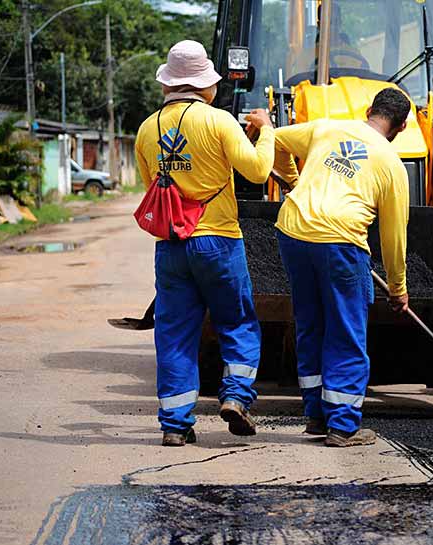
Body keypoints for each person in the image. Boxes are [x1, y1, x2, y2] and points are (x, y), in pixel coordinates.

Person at [134, 40, 275, 447]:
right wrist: (265, 132)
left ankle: (175, 424)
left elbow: (154, 190)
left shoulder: (147, 129)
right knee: (237, 323)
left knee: (175, 333)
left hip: (171, 246)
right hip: (219, 242)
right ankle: (235, 398)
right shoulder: (218, 121)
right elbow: (258, 169)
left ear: (168, 85)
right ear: (205, 86)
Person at [272, 88, 411, 447]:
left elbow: (274, 138)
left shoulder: (327, 128)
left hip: (293, 232)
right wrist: (398, 288)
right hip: (341, 242)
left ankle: (317, 416)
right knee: (346, 332)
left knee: (311, 324)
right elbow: (394, 237)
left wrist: (294, 181)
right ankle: (344, 426)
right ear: (402, 126)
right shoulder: (392, 166)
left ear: (368, 110)